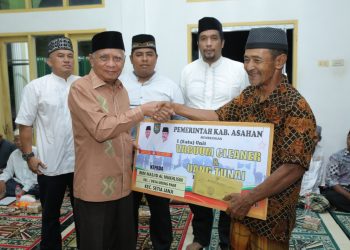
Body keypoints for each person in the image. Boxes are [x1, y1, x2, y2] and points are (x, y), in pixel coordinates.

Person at [168, 27, 316, 249]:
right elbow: (218, 116)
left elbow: (293, 167)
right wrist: (174, 107)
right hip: (241, 209)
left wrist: (249, 198)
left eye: (257, 60)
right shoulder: (248, 96)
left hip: (271, 216)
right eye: (246, 60)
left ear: (280, 61)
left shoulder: (296, 107)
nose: (249, 67)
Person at [68, 31, 171, 250]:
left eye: (117, 58)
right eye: (104, 57)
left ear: (124, 60)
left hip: (124, 186)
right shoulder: (81, 88)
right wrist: (142, 111)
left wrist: (135, 144)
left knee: (124, 243)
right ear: (91, 59)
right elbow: (101, 129)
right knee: (97, 244)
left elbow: (121, 129)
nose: (111, 64)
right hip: (95, 189)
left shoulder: (121, 90)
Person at [180, 17, 249, 250]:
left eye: (213, 38)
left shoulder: (239, 70)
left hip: (229, 147)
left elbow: (247, 108)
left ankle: (226, 241)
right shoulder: (187, 71)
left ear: (222, 42)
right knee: (198, 195)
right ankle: (200, 238)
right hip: (197, 146)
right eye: (203, 39)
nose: (208, 44)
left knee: (228, 195)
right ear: (198, 43)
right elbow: (183, 108)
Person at [120, 34, 184, 250]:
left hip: (158, 159)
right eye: (139, 54)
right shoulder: (119, 85)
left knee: (160, 208)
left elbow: (182, 121)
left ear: (157, 58)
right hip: (125, 156)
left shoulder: (170, 86)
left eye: (149, 54)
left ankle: (162, 245)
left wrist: (169, 117)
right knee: (127, 208)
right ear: (131, 58)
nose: (144, 59)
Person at [15, 37, 79, 250]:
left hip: (82, 163)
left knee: (85, 213)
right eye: (61, 56)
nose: (67, 60)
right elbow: (25, 125)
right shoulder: (36, 87)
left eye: (70, 56)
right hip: (49, 164)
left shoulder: (82, 85)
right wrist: (28, 156)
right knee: (50, 215)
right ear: (49, 61)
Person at [0, 129, 38, 198]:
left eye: (20, 139)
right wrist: (2, 180)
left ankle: (25, 194)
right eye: (16, 140)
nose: (18, 142)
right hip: (19, 185)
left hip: (34, 185)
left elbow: (35, 177)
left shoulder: (37, 152)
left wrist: (24, 190)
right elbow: (8, 172)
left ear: (28, 139)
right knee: (6, 182)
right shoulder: (13, 154)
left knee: (44, 185)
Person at [323, 130, 350, 212]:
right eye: (349, 138)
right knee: (330, 195)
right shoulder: (337, 157)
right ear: (347, 139)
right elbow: (332, 181)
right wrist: (348, 196)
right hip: (341, 191)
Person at [300, 125, 325, 196]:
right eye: (309, 137)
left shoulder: (320, 151)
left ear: (319, 139)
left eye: (315, 138)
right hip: (299, 191)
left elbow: (320, 172)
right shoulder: (299, 151)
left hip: (314, 191)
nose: (311, 140)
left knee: (325, 205)